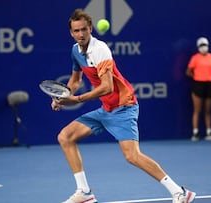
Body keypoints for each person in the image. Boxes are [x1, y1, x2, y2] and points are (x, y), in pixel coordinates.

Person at [51, 9, 196, 203]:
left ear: (90, 29)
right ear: (71, 33)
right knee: (65, 137)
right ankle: (84, 192)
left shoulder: (100, 49)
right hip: (106, 109)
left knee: (132, 156)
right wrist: (63, 95)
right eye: (76, 31)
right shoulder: (75, 51)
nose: (81, 34)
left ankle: (180, 192)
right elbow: (75, 80)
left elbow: (107, 86)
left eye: (84, 29)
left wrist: (76, 100)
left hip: (123, 106)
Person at [186, 37, 211, 141]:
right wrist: (196, 77)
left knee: (208, 110)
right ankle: (195, 133)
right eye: (201, 46)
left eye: (205, 45)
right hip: (198, 85)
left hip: (209, 84)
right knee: (197, 110)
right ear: (198, 47)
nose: (204, 47)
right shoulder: (195, 58)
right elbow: (188, 71)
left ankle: (209, 132)